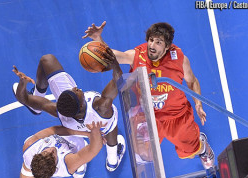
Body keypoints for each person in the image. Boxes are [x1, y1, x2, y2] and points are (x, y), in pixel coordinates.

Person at [83, 21, 215, 170]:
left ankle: (202, 145)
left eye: (158, 42)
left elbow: (192, 82)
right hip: (148, 117)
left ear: (167, 47)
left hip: (177, 116)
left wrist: (198, 103)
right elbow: (113, 56)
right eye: (151, 40)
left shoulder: (179, 59)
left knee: (191, 153)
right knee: (143, 155)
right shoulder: (138, 55)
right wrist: (97, 40)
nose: (152, 45)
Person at [12, 47, 126, 173]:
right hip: (102, 126)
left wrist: (23, 83)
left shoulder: (59, 110)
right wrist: (115, 64)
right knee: (111, 132)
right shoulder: (102, 106)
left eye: (73, 90)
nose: (76, 89)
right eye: (76, 91)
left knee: (47, 60)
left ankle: (37, 99)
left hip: (76, 127)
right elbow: (119, 80)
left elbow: (24, 99)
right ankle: (112, 161)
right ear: (82, 105)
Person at [10, 121, 105, 178]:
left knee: (27, 169)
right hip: (75, 147)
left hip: (60, 138)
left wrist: (86, 134)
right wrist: (95, 134)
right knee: (80, 158)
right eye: (52, 155)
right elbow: (93, 150)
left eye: (46, 152)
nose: (51, 149)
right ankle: (79, 167)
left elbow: (55, 130)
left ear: (37, 155)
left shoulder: (30, 146)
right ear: (55, 166)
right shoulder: (68, 163)